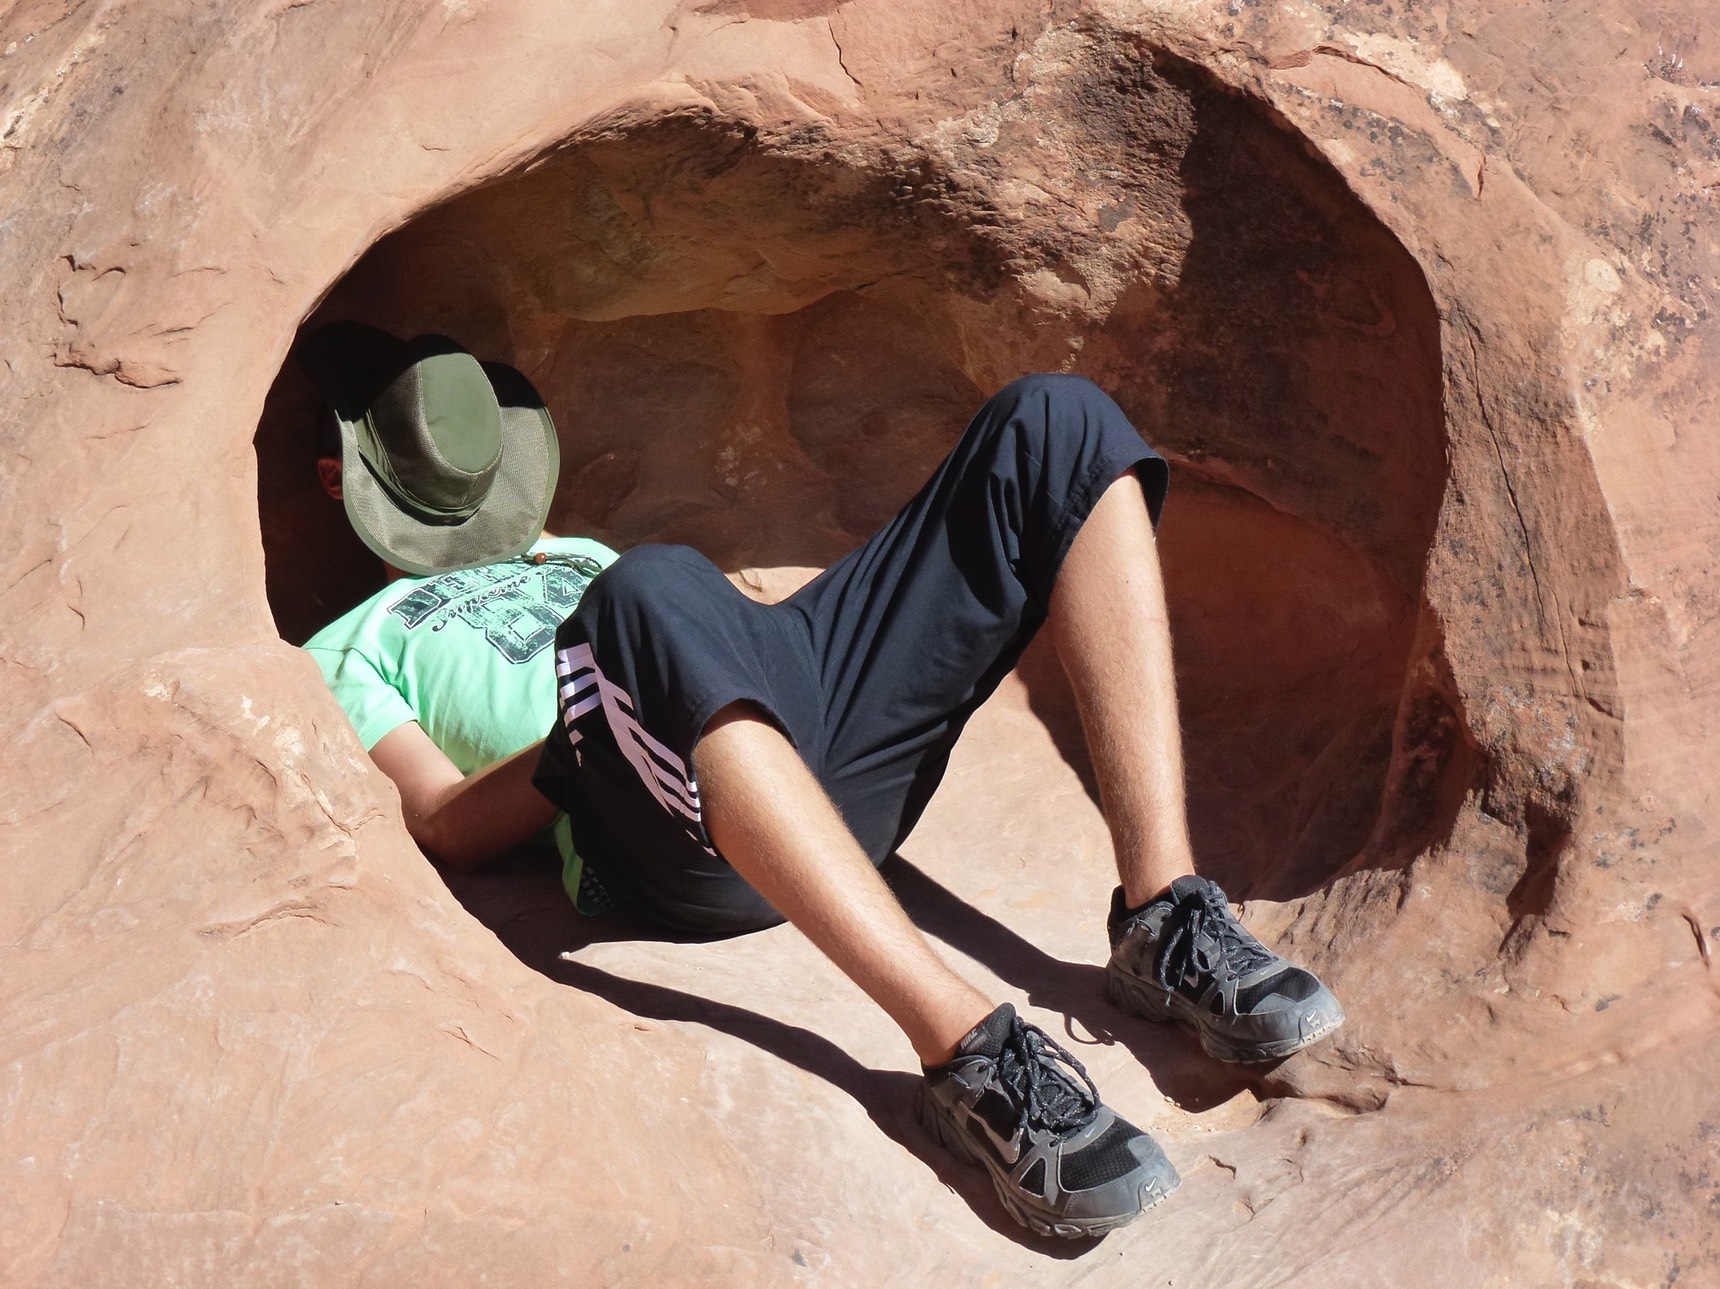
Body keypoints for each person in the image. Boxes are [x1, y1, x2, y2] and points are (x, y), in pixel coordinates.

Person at [300, 326, 1345, 1240]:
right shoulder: (352, 643)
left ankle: (1163, 917)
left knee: (1056, 421)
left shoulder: (568, 551)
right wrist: (580, 739)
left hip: (775, 730)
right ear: (330, 482)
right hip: (667, 829)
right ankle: (968, 1056)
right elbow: (442, 820)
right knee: (650, 587)